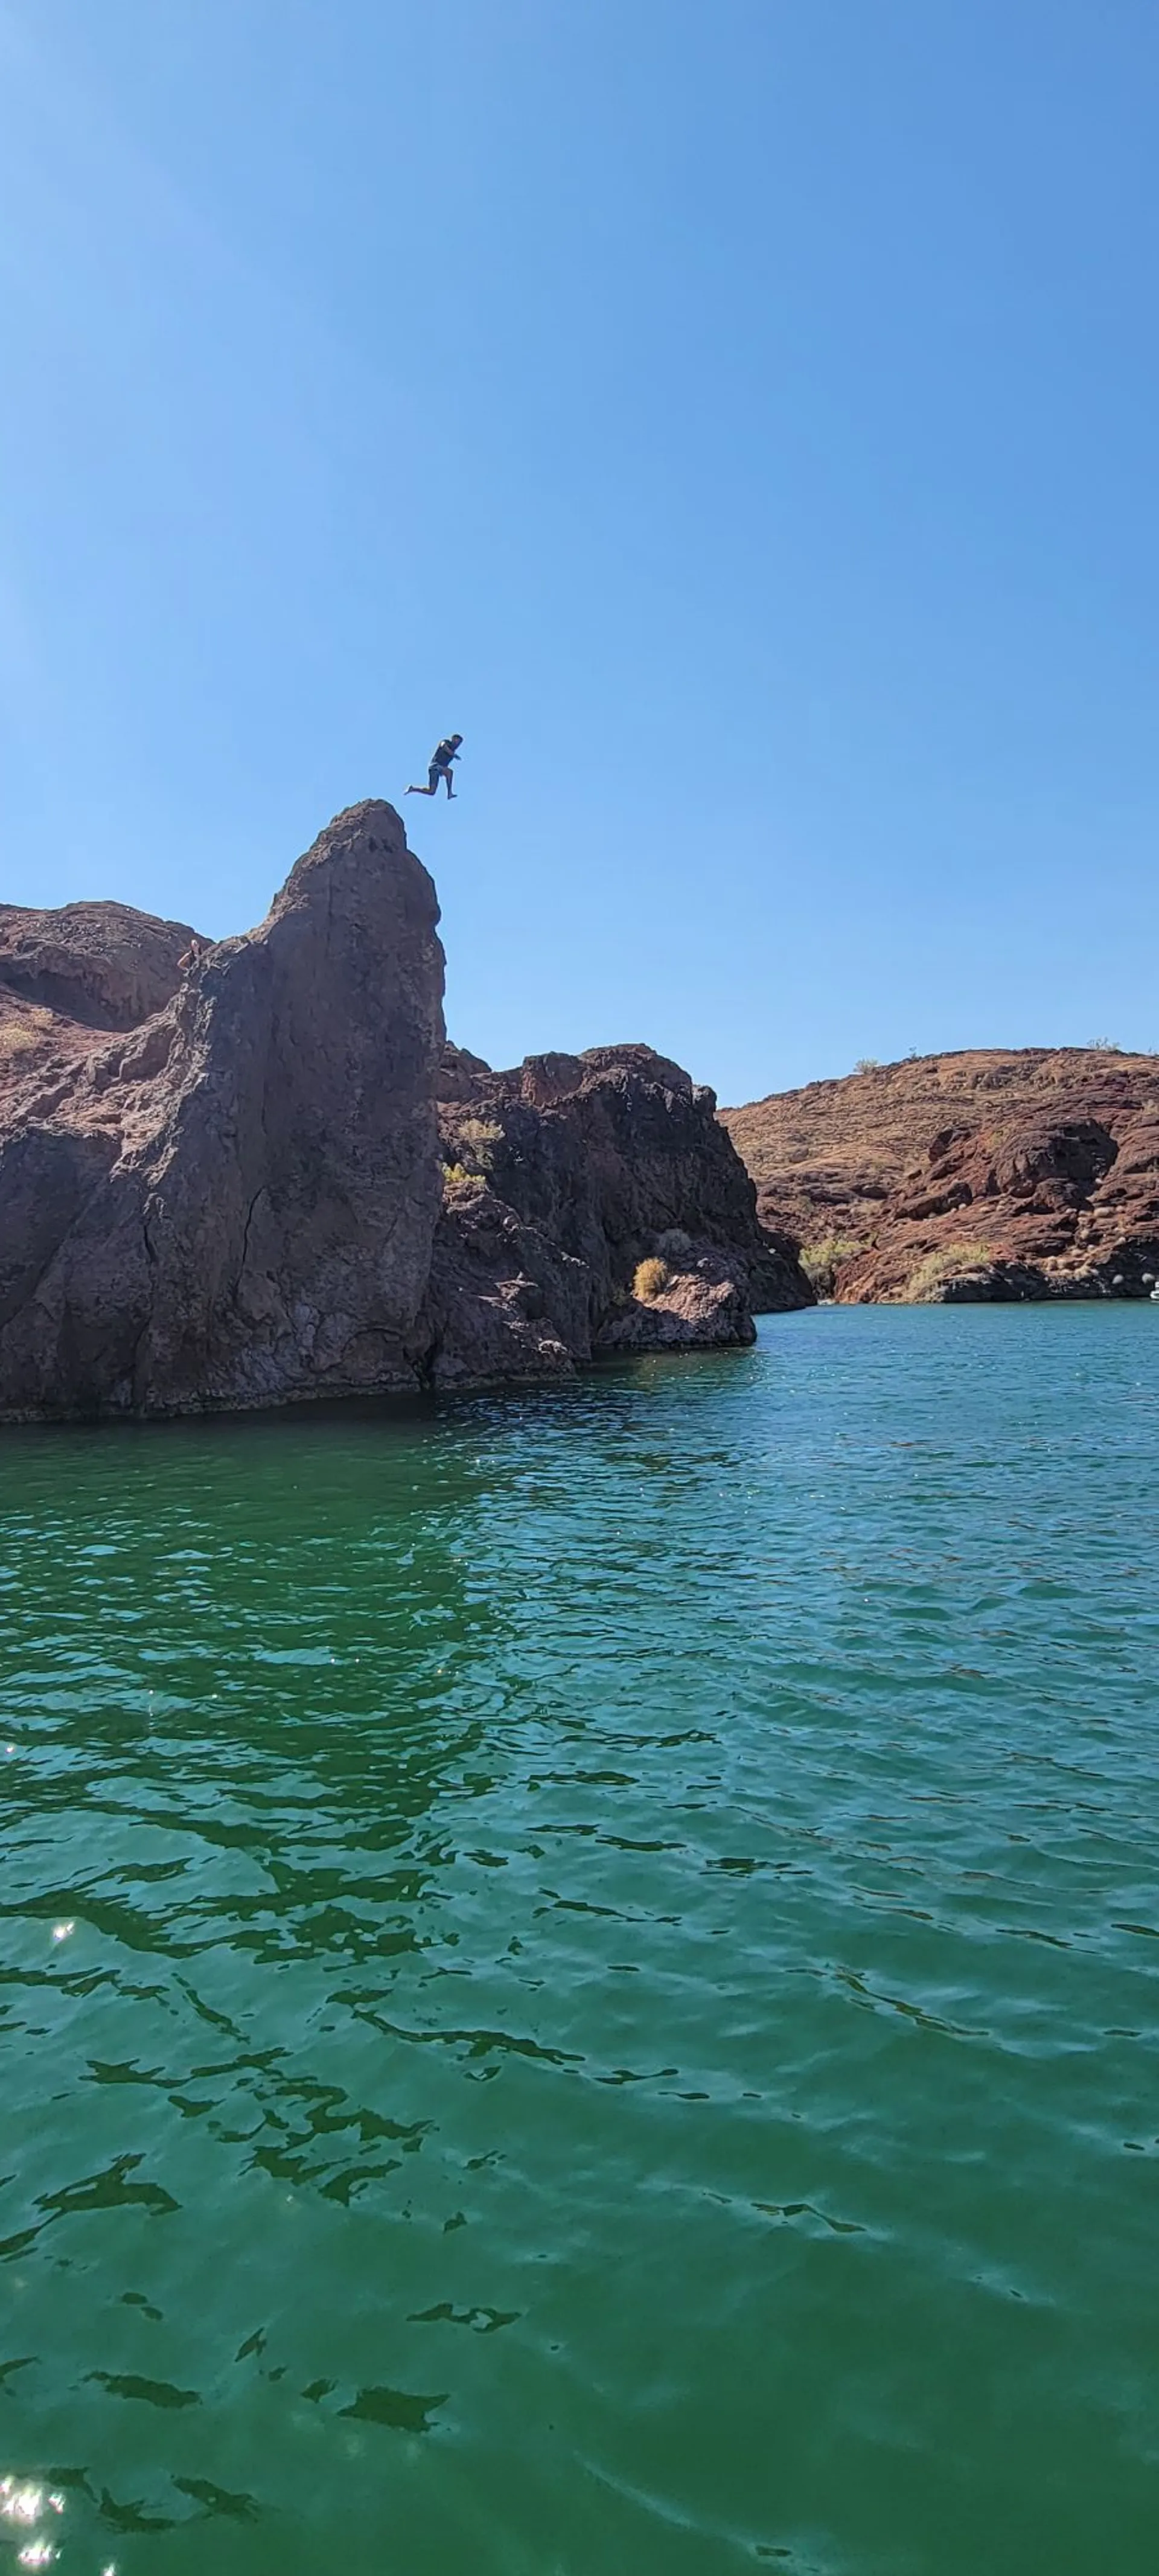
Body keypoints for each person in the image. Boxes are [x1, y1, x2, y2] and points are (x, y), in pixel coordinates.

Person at [406, 734, 462, 799]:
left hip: (439, 770)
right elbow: (443, 746)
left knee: (432, 792)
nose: (458, 745)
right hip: (435, 766)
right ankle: (450, 793)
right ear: (453, 739)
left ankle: (413, 789)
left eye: (459, 744)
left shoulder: (453, 751)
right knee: (450, 772)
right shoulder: (446, 742)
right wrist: (453, 755)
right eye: (457, 742)